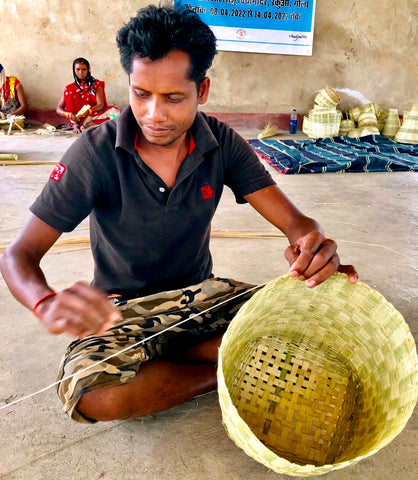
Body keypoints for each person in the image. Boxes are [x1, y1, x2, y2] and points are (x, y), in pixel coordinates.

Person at [0, 4, 357, 424]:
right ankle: (223, 369)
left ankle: (198, 352)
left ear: (201, 91)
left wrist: (311, 246)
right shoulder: (95, 152)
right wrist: (45, 303)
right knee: (95, 394)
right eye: (140, 94)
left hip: (204, 301)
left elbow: (295, 223)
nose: (154, 114)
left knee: (315, 314)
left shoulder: (220, 143)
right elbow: (18, 255)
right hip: (122, 312)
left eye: (173, 98)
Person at [56, 57, 120, 133]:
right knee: (69, 91)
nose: (80, 72)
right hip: (76, 119)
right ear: (74, 70)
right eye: (78, 69)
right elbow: (58, 109)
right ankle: (77, 125)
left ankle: (89, 125)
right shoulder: (70, 88)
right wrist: (68, 115)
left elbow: (101, 105)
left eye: (84, 69)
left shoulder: (96, 84)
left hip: (92, 115)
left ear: (88, 70)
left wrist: (89, 111)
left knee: (115, 112)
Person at [0, 63, 28, 129]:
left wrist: (11, 115)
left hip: (13, 118)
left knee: (12, 124)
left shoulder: (14, 82)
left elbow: (24, 107)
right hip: (1, 119)